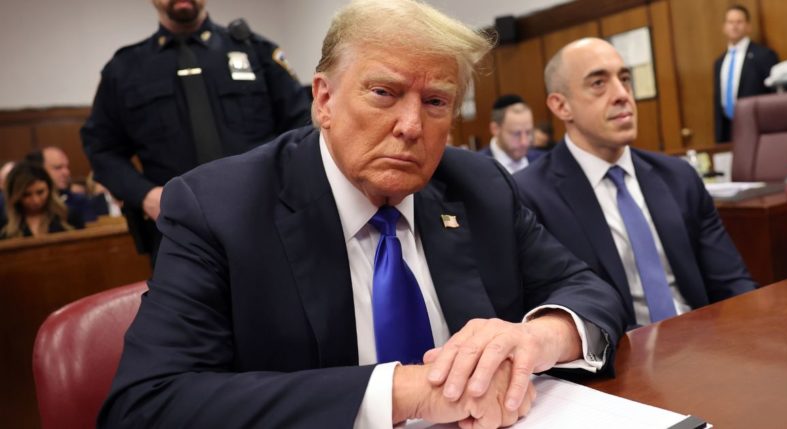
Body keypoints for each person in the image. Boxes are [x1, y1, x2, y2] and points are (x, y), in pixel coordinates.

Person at [99, 2, 628, 428]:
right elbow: (148, 403)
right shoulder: (218, 208)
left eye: (436, 102)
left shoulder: (480, 184)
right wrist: (404, 393)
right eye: (383, 93)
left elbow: (592, 291)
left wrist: (536, 339)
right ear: (323, 100)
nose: (410, 126)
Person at [515, 38, 756, 329]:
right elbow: (553, 314)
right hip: (616, 358)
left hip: (703, 342)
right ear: (561, 106)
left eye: (625, 79)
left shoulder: (678, 176)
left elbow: (731, 281)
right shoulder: (529, 196)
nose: (621, 94)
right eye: (598, 84)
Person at [81, 0, 312, 261]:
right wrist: (145, 195)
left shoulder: (256, 52)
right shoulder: (124, 70)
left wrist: (281, 187)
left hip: (266, 221)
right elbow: (102, 149)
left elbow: (303, 127)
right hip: (179, 232)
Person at [713, 4, 778, 143]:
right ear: (724, 27)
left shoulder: (764, 55)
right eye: (730, 22)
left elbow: (775, 94)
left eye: (739, 22)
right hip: (728, 131)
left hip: (759, 128)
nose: (734, 26)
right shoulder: (719, 63)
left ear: (748, 26)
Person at [0, 161, 82, 239]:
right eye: (26, 195)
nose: (36, 200)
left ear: (49, 189)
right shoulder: (4, 226)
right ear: (15, 196)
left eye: (40, 192)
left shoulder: (68, 217)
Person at [27, 146, 104, 222]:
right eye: (58, 168)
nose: (66, 173)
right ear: (39, 170)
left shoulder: (79, 203)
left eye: (67, 167)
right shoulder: (30, 204)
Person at [478, 94, 541, 173]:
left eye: (528, 132)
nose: (524, 142)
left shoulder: (542, 162)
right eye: (516, 134)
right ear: (495, 129)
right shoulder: (477, 166)